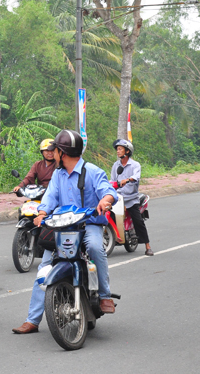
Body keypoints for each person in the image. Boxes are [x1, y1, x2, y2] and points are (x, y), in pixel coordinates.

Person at [12, 129, 118, 335]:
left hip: (89, 224)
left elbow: (108, 191)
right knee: (44, 267)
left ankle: (105, 296)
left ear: (63, 153)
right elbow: (50, 197)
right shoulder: (58, 175)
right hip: (63, 227)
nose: (53, 154)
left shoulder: (93, 171)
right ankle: (32, 320)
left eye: (55, 151)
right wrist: (42, 213)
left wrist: (105, 201)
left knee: (95, 247)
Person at [111, 139, 153, 256]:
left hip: (131, 199)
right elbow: (112, 180)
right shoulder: (116, 165)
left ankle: (148, 246)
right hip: (118, 198)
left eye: (120, 149)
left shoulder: (135, 165)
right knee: (108, 215)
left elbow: (136, 177)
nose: (118, 151)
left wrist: (127, 180)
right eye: (117, 149)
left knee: (138, 221)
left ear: (127, 151)